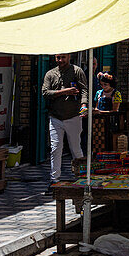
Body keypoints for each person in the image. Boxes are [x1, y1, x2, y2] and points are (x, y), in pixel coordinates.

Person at [42, 53, 88, 184]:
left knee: (75, 148)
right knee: (56, 148)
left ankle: (81, 178)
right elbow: (45, 92)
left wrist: (84, 105)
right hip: (55, 116)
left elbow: (84, 90)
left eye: (63, 57)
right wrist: (64, 92)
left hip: (73, 116)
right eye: (58, 57)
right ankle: (54, 179)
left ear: (69, 57)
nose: (60, 60)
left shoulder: (77, 71)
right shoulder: (50, 74)